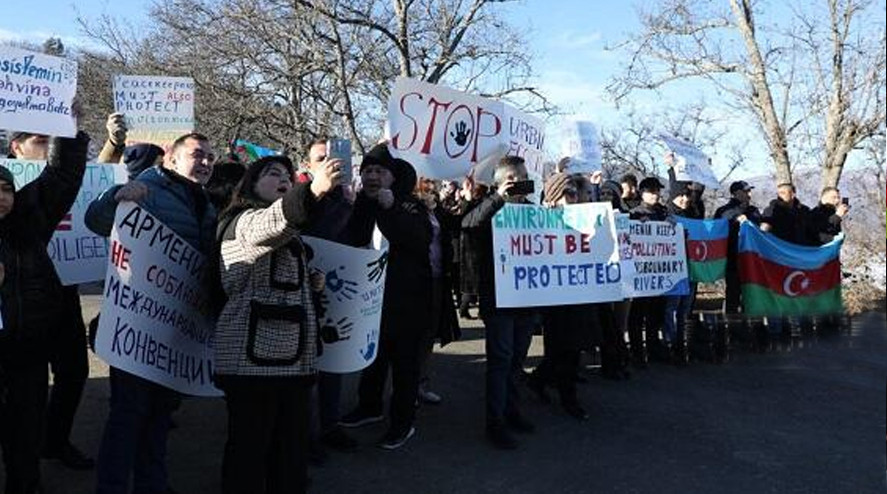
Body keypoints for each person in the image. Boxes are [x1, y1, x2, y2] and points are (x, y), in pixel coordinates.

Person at [87, 132, 218, 494]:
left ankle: (152, 484)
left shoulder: (205, 203)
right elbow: (95, 219)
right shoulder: (147, 187)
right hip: (137, 325)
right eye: (197, 154)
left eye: (210, 156)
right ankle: (111, 487)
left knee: (160, 415)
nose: (205, 161)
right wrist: (116, 198)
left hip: (174, 329)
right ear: (171, 160)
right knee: (128, 416)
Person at [214, 155, 340, 494]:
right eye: (272, 174)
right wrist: (312, 189)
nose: (283, 178)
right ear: (250, 186)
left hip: (290, 364)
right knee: (250, 455)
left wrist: (308, 283)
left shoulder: (291, 234)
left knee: (289, 453)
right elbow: (272, 223)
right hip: (252, 366)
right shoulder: (242, 222)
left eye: (287, 174)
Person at [0, 131, 89, 494]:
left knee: (25, 437)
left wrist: (69, 129)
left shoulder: (28, 223)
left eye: (5, 190)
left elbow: (60, 177)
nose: (0, 198)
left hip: (27, 354)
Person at [338, 144, 442, 450]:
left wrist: (390, 208)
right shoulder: (363, 203)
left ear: (392, 177)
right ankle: (369, 407)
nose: (372, 176)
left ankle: (402, 422)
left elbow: (416, 239)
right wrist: (362, 206)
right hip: (372, 301)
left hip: (408, 302)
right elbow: (355, 238)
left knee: (405, 366)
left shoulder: (411, 205)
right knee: (373, 358)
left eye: (379, 171)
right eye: (367, 171)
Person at [461, 156, 537, 450]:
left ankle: (512, 411)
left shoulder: (533, 211)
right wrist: (498, 199)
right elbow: (468, 226)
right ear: (503, 181)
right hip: (499, 299)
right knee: (501, 360)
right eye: (516, 178)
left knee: (517, 359)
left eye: (525, 176)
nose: (523, 182)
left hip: (528, 299)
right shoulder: (490, 208)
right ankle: (495, 422)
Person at [528, 173, 596, 420]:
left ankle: (538, 380)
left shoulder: (586, 220)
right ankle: (569, 398)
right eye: (569, 193)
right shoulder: (541, 221)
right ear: (555, 197)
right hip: (555, 296)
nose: (575, 198)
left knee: (572, 347)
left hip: (580, 291)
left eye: (576, 193)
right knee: (561, 348)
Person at [628, 177, 669, 366]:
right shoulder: (634, 213)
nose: (655, 194)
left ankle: (653, 347)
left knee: (656, 312)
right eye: (651, 191)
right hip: (641, 272)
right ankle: (637, 351)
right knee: (638, 313)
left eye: (657, 191)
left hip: (660, 271)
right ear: (641, 193)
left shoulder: (663, 213)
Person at [714, 181, 762, 315]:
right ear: (736, 193)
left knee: (751, 295)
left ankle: (750, 326)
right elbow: (717, 231)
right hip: (733, 259)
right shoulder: (724, 211)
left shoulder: (754, 211)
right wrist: (735, 220)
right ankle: (731, 326)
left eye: (749, 191)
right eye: (746, 191)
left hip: (752, 260)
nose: (749, 194)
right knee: (733, 294)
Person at [663, 183, 695, 365]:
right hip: (673, 271)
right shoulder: (666, 216)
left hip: (691, 268)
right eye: (681, 195)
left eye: (688, 195)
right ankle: (671, 343)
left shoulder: (693, 214)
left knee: (684, 311)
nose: (685, 199)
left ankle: (681, 346)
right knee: (671, 309)